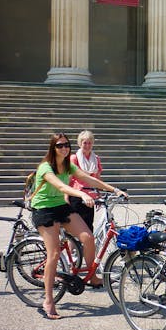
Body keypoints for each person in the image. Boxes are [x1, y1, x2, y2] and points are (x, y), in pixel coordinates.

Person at [30, 133, 127, 320]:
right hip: (44, 209)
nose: (64, 148)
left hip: (61, 207)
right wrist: (81, 195)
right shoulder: (45, 167)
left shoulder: (68, 165)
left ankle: (91, 275)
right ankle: (48, 300)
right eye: (60, 146)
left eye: (66, 145)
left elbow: (89, 179)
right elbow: (62, 187)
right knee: (54, 253)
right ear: (53, 148)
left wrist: (114, 189)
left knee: (88, 237)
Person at [68, 130, 102, 231]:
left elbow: (97, 178)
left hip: (90, 196)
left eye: (89, 143)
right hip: (77, 196)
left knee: (88, 226)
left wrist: (98, 193)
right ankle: (72, 247)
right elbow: (69, 179)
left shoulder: (95, 159)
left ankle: (85, 247)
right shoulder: (74, 158)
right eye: (85, 143)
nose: (87, 145)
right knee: (74, 228)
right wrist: (65, 196)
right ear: (80, 143)